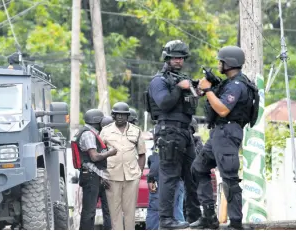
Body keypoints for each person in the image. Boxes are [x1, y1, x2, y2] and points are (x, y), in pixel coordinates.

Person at [191, 46, 258, 230]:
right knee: (198, 168)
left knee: (229, 177)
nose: (219, 64)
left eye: (221, 61)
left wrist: (209, 91)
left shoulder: (237, 85)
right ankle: (209, 217)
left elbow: (222, 109)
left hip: (228, 133)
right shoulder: (230, 83)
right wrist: (207, 89)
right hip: (219, 132)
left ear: (228, 63)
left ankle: (235, 223)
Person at [146, 40, 201, 229]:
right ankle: (166, 220)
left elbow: (190, 106)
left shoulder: (181, 79)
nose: (178, 61)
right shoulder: (159, 81)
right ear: (167, 58)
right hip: (168, 131)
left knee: (193, 174)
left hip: (185, 132)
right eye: (174, 58)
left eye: (181, 58)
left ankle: (195, 216)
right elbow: (164, 104)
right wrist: (180, 88)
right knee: (169, 176)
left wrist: (196, 90)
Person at [99, 102, 146, 230]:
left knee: (130, 211)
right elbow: (100, 155)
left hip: (131, 177)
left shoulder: (136, 131)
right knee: (115, 212)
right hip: (112, 176)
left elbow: (142, 154)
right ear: (113, 115)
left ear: (128, 116)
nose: (120, 117)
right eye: (117, 114)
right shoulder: (106, 131)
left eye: (123, 115)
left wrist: (139, 174)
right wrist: (102, 174)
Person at [74, 109, 117, 230]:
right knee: (89, 211)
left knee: (104, 208)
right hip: (91, 176)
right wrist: (110, 153)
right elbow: (94, 156)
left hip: (96, 175)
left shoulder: (90, 132)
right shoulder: (88, 134)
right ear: (96, 121)